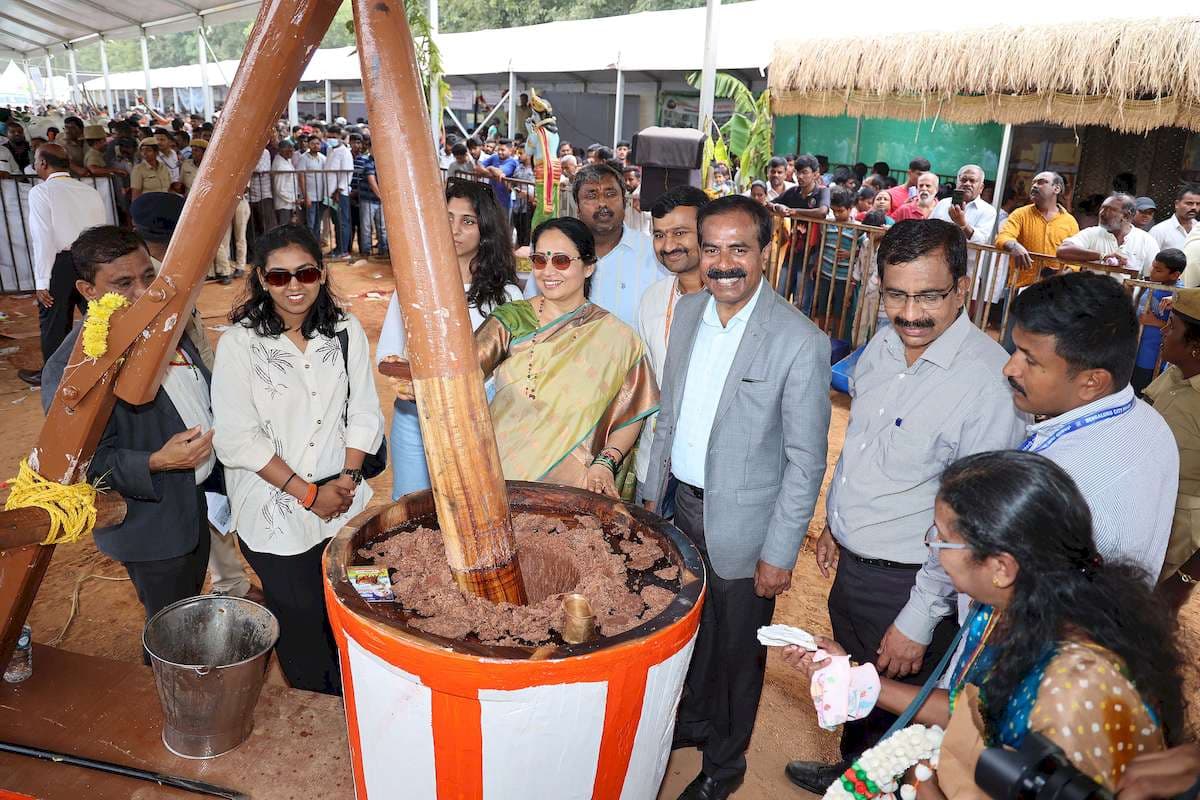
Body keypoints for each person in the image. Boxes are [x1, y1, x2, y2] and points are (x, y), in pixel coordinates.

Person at [785, 219, 1027, 795]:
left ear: (963, 290)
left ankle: (880, 786)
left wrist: (919, 619)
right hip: (853, 569)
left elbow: (975, 527)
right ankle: (851, 772)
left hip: (913, 586)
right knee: (858, 687)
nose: (910, 313)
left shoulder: (987, 384)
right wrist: (835, 525)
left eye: (929, 296)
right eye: (896, 294)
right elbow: (863, 443)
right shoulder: (884, 345)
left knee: (907, 717)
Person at [784, 451, 1184, 797]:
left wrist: (925, 787)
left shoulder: (1078, 688)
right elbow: (975, 710)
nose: (932, 549)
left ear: (1001, 567)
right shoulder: (1005, 610)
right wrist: (854, 681)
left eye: (941, 539)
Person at [641, 194, 830, 800]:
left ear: (765, 252)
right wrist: (651, 499)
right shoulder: (691, 311)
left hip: (747, 531)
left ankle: (726, 765)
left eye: (739, 249)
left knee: (737, 658)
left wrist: (779, 552)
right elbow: (668, 416)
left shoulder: (800, 340)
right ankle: (694, 723)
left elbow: (805, 460)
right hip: (679, 509)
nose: (723, 264)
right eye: (712, 249)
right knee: (689, 636)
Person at [212, 224, 385, 694]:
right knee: (305, 626)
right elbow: (235, 439)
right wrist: (308, 494)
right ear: (261, 279)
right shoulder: (239, 345)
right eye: (279, 276)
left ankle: (367, 701)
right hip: (275, 516)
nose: (294, 286)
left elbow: (364, 410)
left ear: (322, 274)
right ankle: (322, 713)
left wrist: (347, 479)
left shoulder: (345, 331)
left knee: (366, 605)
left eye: (305, 273)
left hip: (346, 500)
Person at [40, 226, 220, 660]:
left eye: (148, 277)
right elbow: (79, 464)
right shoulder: (72, 367)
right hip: (151, 525)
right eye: (123, 284)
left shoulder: (163, 329)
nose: (144, 294)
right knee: (169, 632)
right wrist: (156, 461)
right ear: (87, 289)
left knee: (186, 612)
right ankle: (168, 704)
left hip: (194, 505)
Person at [128, 192, 258, 601]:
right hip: (171, 397)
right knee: (200, 486)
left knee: (212, 487)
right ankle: (218, 587)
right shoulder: (144, 281)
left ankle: (230, 582)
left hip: (196, 378)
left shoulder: (175, 268)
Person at [1004, 271, 1177, 578]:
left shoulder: (1057, 484)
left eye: (1030, 360)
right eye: (1015, 350)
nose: (1010, 368)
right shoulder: (1152, 423)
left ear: (1092, 383)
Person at [377, 182, 522, 499]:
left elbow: (515, 371)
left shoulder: (507, 297)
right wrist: (402, 379)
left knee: (470, 509)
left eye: (468, 221)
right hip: (414, 420)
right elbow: (388, 353)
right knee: (412, 511)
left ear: (485, 230)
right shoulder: (413, 283)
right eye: (448, 217)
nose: (454, 229)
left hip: (476, 425)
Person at [523, 163, 668, 328]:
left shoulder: (653, 253)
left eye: (610, 194)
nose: (602, 203)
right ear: (577, 207)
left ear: (624, 202)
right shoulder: (554, 258)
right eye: (591, 196)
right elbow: (530, 315)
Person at [634, 186, 710, 491]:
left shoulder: (733, 303)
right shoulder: (653, 298)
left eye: (680, 233)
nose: (668, 245)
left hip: (707, 473)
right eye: (659, 234)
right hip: (656, 460)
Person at [19, 143, 106, 387]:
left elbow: (43, 239)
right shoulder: (89, 191)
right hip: (91, 259)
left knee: (54, 321)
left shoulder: (42, 192)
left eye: (36, 160)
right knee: (98, 315)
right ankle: (104, 366)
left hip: (61, 263)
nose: (35, 165)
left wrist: (42, 281)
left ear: (43, 164)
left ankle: (52, 376)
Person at [1144, 287, 1200, 609]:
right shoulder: (1173, 376)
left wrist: (1183, 580)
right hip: (1145, 516)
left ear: (1195, 345)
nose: (1164, 331)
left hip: (1176, 545)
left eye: (1173, 327)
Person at [994, 171, 1080, 283]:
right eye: (1033, 182)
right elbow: (1003, 237)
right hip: (1022, 286)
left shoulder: (1070, 222)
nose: (1034, 186)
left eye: (1041, 182)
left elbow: (1075, 258)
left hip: (1056, 290)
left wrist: (1062, 277)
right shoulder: (1020, 214)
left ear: (1057, 189)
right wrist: (1014, 246)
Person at [1057, 193, 1158, 278]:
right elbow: (1062, 251)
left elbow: (1150, 278)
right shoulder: (1092, 233)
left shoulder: (1147, 240)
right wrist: (1102, 256)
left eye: (1110, 210)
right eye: (1102, 208)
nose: (1102, 213)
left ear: (1126, 216)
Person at [1132, 248, 1186, 394]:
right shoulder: (1151, 284)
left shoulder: (1180, 295)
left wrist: (1156, 322)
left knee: (1141, 393)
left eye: (1159, 270)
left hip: (1152, 358)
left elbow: (1182, 330)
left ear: (1175, 274)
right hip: (1135, 350)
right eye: (1153, 266)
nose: (1152, 272)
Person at [324, 125, 354, 259]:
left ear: (340, 138)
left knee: (343, 222)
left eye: (334, 137)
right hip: (330, 193)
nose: (331, 139)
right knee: (336, 221)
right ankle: (338, 247)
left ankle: (343, 250)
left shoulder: (344, 152)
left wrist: (338, 190)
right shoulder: (330, 150)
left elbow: (347, 173)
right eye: (329, 136)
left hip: (340, 194)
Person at [296, 135, 328, 246]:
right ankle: (309, 246)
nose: (316, 146)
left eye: (318, 143)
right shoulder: (303, 158)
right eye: (313, 143)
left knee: (318, 223)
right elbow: (301, 177)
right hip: (310, 196)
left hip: (321, 196)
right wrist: (306, 196)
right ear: (308, 145)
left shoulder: (323, 158)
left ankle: (316, 245)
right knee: (310, 223)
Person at [478, 136, 519, 220]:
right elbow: (478, 167)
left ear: (510, 151)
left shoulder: (512, 162)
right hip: (491, 198)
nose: (500, 152)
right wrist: (491, 172)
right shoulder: (494, 157)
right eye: (498, 149)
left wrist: (489, 168)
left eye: (503, 150)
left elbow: (499, 172)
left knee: (504, 227)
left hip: (505, 201)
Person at [1152, 184, 1200, 253]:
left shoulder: (1198, 228)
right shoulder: (1159, 231)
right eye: (1189, 203)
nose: (1194, 207)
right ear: (1177, 204)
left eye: (1198, 204)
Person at [271, 139, 301, 228]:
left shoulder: (286, 161)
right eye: (289, 150)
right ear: (281, 150)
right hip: (284, 204)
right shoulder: (280, 165)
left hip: (289, 203)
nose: (291, 153)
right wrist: (292, 199)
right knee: (284, 228)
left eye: (292, 150)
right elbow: (279, 188)